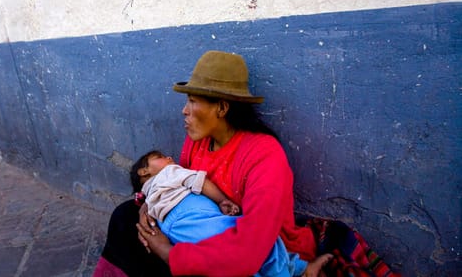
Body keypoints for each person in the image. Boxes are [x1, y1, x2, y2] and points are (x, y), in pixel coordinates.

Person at [94, 50, 400, 277]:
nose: (184, 112)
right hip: (204, 235)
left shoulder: (264, 156)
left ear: (222, 108)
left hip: (261, 253)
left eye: (193, 101)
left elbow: (250, 252)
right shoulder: (196, 141)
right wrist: (149, 207)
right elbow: (180, 185)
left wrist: (170, 254)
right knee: (126, 217)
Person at [128, 149, 330, 277]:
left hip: (175, 233)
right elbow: (199, 182)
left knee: (226, 267)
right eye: (160, 157)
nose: (169, 157)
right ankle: (298, 269)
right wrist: (222, 200)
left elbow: (144, 206)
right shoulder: (171, 172)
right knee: (260, 239)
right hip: (196, 219)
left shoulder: (148, 196)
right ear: (143, 172)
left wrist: (144, 209)